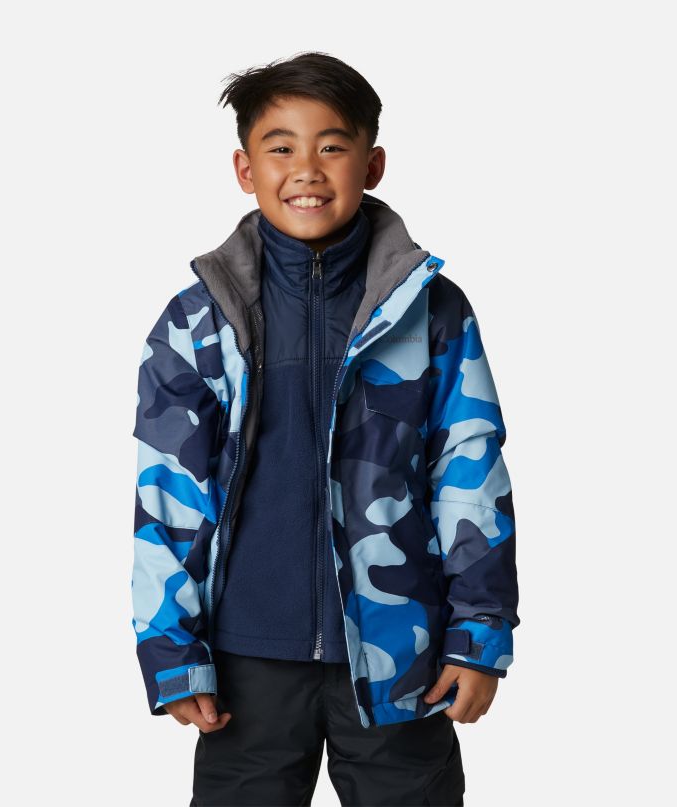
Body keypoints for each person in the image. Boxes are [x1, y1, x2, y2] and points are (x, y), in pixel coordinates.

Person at [131, 51, 519, 807]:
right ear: (245, 169)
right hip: (246, 660)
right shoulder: (196, 321)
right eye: (281, 148)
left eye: (332, 146)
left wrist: (479, 634)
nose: (306, 169)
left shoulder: (432, 311)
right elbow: (167, 492)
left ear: (372, 165)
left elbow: (470, 471)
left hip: (400, 655)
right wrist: (170, 648)